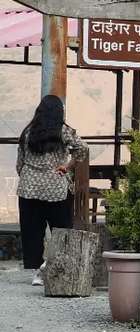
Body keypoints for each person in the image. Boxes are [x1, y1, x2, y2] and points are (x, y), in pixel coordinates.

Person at [17, 95, 88, 286]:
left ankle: (36, 271)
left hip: (29, 189)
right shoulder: (63, 131)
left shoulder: (28, 132)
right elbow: (82, 148)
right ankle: (60, 268)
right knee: (61, 230)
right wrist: (67, 166)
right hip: (56, 188)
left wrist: (27, 176)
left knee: (32, 232)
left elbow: (20, 162)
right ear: (59, 112)